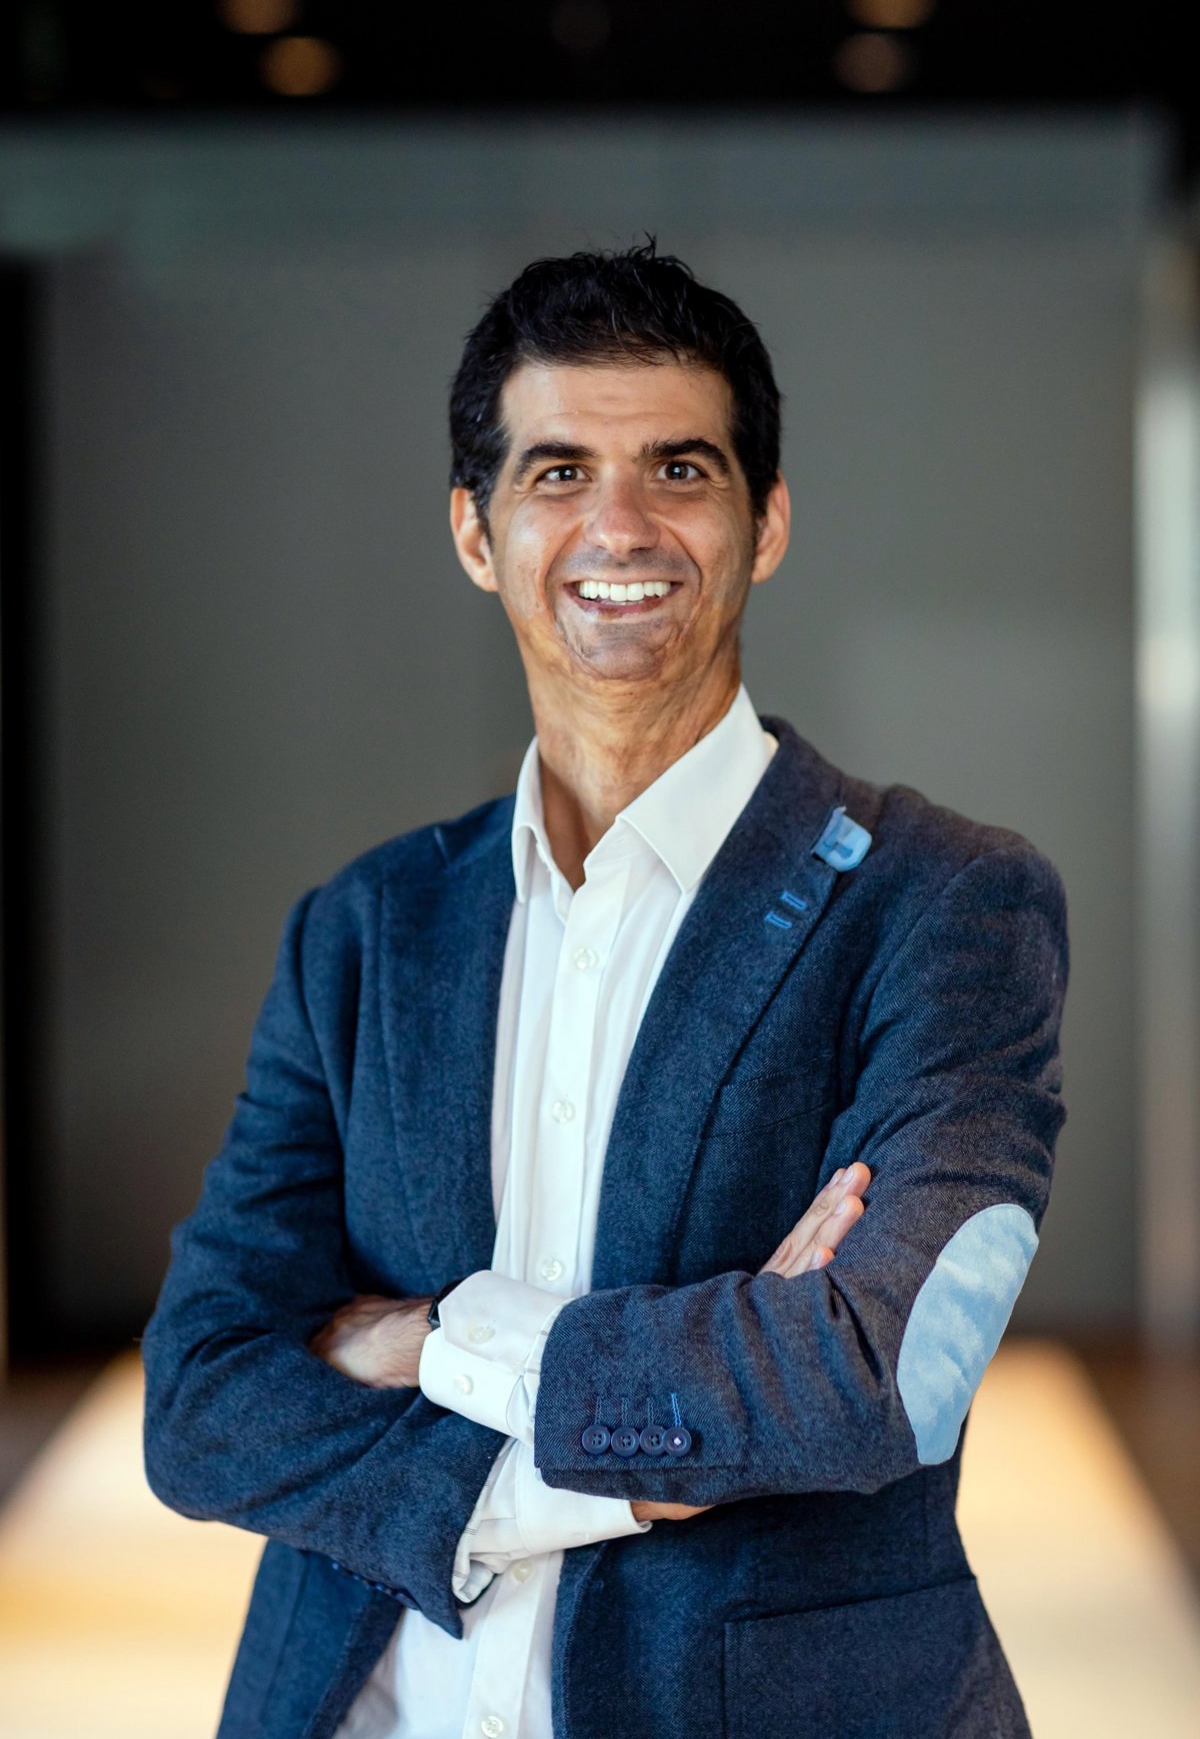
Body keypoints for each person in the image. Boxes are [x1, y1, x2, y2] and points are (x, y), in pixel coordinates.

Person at [142, 241, 1068, 1739]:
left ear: (766, 523)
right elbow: (198, 1401)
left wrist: (428, 1338)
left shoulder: (943, 901)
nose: (619, 526)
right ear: (476, 531)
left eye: (679, 470)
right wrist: (655, 1445)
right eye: (559, 472)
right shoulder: (365, 929)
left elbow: (881, 1369)